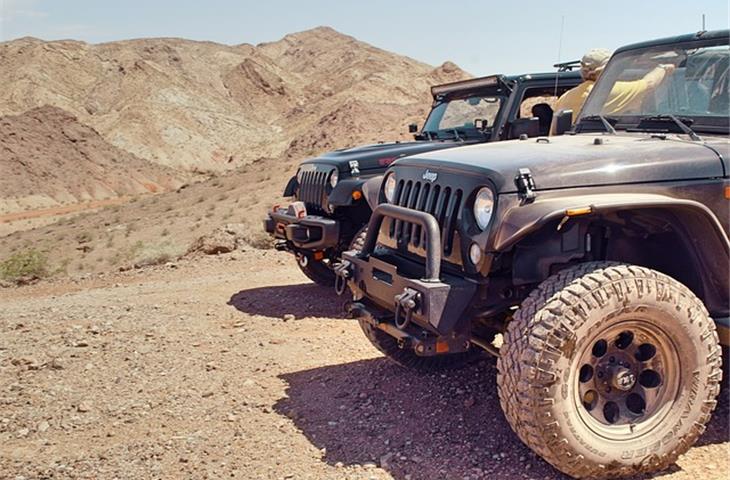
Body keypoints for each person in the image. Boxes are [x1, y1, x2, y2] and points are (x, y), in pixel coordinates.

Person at [551, 49, 676, 133]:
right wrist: (663, 68)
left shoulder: (565, 97)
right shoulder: (614, 91)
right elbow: (649, 83)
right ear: (608, 69)